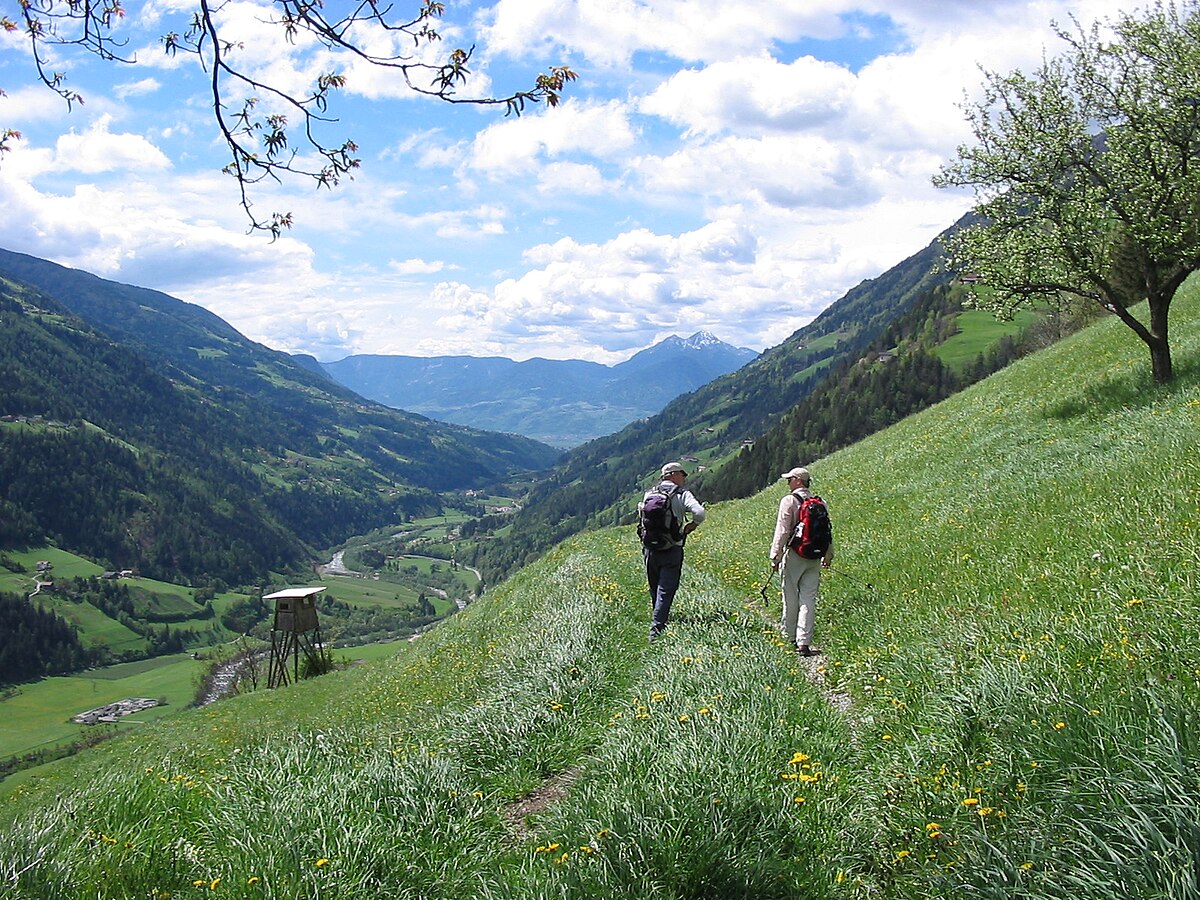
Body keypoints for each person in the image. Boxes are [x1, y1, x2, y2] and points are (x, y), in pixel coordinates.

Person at [769, 466, 833, 656]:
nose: (788, 483)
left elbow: (782, 530)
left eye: (789, 479)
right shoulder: (820, 503)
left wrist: (775, 556)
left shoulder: (789, 501)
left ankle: (789, 637)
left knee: (790, 596)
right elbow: (827, 530)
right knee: (808, 598)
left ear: (798, 480)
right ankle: (804, 642)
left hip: (795, 554)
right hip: (814, 556)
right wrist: (828, 554)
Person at [642, 461, 706, 642]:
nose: (684, 478)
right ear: (673, 475)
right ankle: (657, 629)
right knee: (666, 588)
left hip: (650, 548)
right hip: (672, 547)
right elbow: (700, 513)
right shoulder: (682, 494)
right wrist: (691, 526)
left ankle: (658, 616)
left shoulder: (650, 493)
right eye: (682, 474)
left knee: (654, 586)